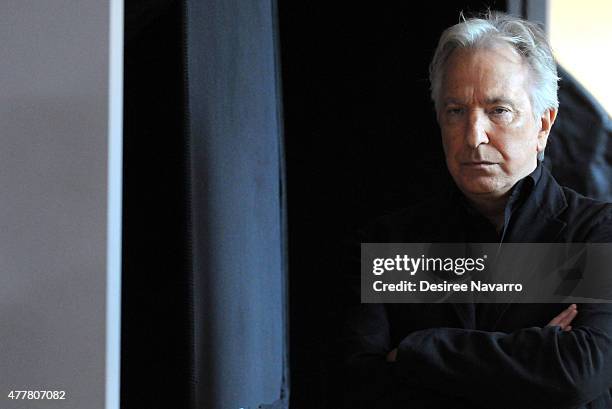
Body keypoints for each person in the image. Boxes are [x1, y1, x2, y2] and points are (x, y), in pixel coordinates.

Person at [341, 11, 612, 409]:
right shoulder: (389, 243)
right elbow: (357, 391)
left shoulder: (597, 232)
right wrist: (535, 364)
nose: (473, 135)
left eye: (498, 110)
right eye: (456, 111)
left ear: (543, 124)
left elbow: (579, 374)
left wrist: (420, 351)